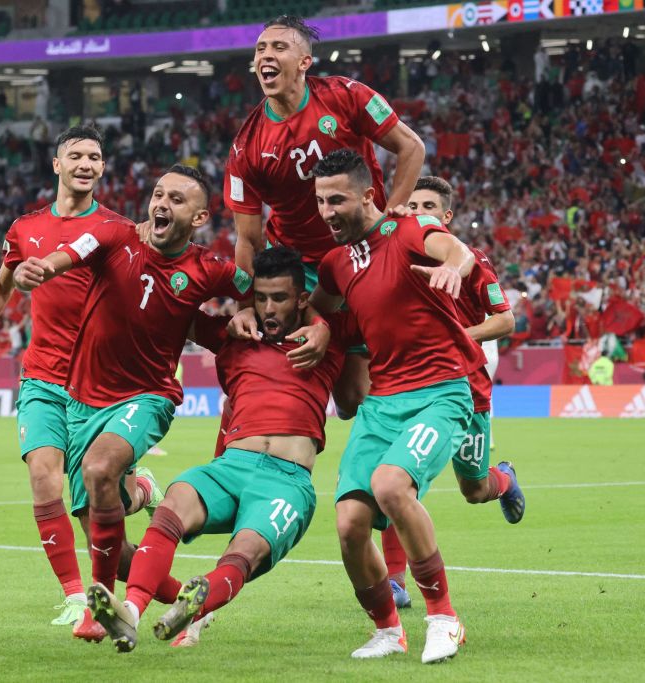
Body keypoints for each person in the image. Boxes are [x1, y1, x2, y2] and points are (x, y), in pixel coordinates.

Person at [14, 165, 299, 622]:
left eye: (177, 199)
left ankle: (97, 608)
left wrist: (253, 311)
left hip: (148, 396)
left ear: (200, 217)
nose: (163, 204)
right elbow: (71, 251)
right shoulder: (113, 235)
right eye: (159, 194)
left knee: (99, 466)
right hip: (83, 401)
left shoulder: (206, 268)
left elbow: (259, 290)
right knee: (100, 532)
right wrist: (44, 268)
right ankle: (184, 600)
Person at [0, 125, 162, 639]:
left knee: (96, 502)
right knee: (43, 474)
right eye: (77, 155)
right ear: (57, 164)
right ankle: (73, 596)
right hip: (42, 375)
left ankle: (142, 491)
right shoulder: (25, 227)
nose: (86, 163)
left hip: (97, 383)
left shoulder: (117, 229)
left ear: (103, 169)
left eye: (95, 157)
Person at [85, 247, 356, 652]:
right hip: (230, 467)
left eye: (279, 298)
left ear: (301, 299)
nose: (268, 308)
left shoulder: (326, 340)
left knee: (243, 550)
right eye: (260, 297)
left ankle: (197, 605)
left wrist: (323, 325)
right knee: (174, 500)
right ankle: (131, 611)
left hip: (286, 481)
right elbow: (168, 309)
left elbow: (382, 310)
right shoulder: (235, 336)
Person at [308, 150, 484, 664]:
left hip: (440, 392)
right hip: (381, 403)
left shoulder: (409, 230)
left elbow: (456, 251)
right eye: (320, 201)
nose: (326, 211)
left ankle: (444, 619)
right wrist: (320, 330)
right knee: (348, 524)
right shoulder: (335, 263)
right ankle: (388, 630)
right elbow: (322, 307)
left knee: (390, 486)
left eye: (336, 199)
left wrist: (453, 268)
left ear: (368, 195)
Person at [225, 14, 425, 418]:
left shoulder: (346, 97)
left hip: (363, 252)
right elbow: (248, 239)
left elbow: (411, 147)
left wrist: (388, 222)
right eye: (261, 49)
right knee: (284, 377)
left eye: (279, 47)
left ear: (304, 62)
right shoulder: (246, 146)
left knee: (357, 396)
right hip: (302, 266)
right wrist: (246, 303)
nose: (266, 55)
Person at [375, 177, 525, 607]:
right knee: (397, 481)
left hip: (466, 389)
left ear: (446, 217)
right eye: (413, 203)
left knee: (474, 489)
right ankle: (395, 581)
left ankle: (505, 479)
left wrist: (459, 334)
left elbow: (505, 321)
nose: (419, 210)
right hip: (410, 387)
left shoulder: (472, 263)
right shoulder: (392, 256)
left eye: (429, 206)